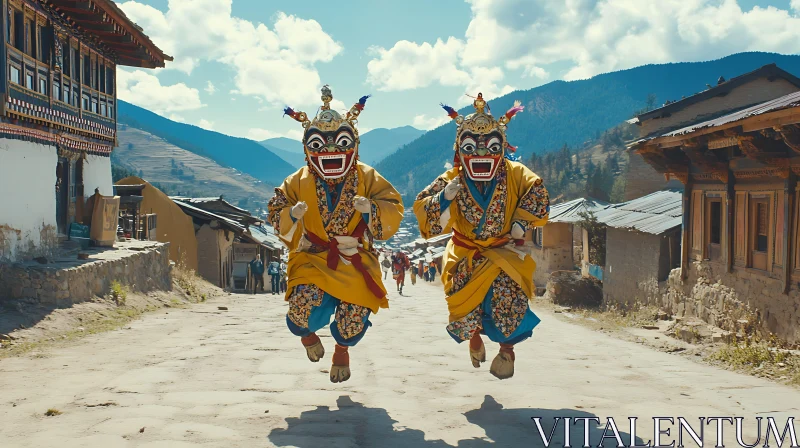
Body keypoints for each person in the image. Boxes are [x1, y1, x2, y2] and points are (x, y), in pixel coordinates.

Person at [268, 86, 404, 383]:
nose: (330, 151)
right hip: (312, 257)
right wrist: (292, 215)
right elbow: (276, 208)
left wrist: (370, 210)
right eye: (319, 144)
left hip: (354, 256)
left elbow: (393, 205)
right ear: (307, 149)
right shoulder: (296, 181)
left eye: (340, 143)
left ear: (353, 146)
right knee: (301, 308)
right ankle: (307, 337)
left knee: (354, 316)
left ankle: (341, 349)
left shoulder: (367, 177)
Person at [413, 93, 549, 380]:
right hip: (465, 252)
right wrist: (444, 197)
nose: (481, 155)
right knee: (464, 299)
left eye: (491, 147)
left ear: (501, 149)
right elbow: (422, 204)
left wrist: (522, 221)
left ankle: (507, 349)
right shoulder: (453, 177)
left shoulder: (514, 173)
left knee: (507, 296)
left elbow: (536, 189)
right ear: (460, 149)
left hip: (502, 251)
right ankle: (473, 337)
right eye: (472, 147)